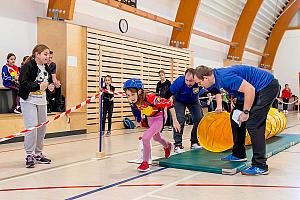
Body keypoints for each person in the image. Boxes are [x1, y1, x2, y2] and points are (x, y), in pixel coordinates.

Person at [194, 65, 280, 176]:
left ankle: (260, 165)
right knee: (234, 116)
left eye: (200, 83)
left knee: (254, 124)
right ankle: (239, 153)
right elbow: (218, 92)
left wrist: (245, 112)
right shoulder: (215, 78)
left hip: (266, 87)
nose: (199, 85)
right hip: (251, 91)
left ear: (206, 78)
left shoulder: (224, 77)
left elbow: (250, 90)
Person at [123, 78, 180, 172]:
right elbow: (135, 110)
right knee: (156, 138)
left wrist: (175, 120)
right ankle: (167, 145)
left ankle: (145, 163)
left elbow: (170, 104)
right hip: (150, 119)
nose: (131, 98)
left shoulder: (151, 97)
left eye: (133, 94)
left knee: (146, 137)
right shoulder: (133, 102)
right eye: (128, 95)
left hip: (160, 117)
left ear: (140, 91)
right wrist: (139, 121)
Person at [165, 68, 222, 153]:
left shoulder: (199, 81)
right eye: (186, 80)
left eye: (191, 81)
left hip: (193, 101)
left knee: (199, 119)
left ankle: (194, 142)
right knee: (180, 119)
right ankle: (178, 145)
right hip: (179, 101)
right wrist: (169, 113)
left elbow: (217, 92)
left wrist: (219, 105)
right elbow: (166, 96)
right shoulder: (179, 82)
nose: (188, 83)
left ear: (195, 79)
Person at [18, 44, 55, 168]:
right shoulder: (28, 66)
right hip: (29, 101)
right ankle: (29, 154)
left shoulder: (46, 67)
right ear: (37, 54)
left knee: (42, 128)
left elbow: (47, 82)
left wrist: (50, 87)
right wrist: (38, 86)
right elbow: (23, 84)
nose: (48, 56)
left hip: (42, 101)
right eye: (45, 54)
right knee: (32, 127)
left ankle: (38, 153)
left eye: (49, 54)